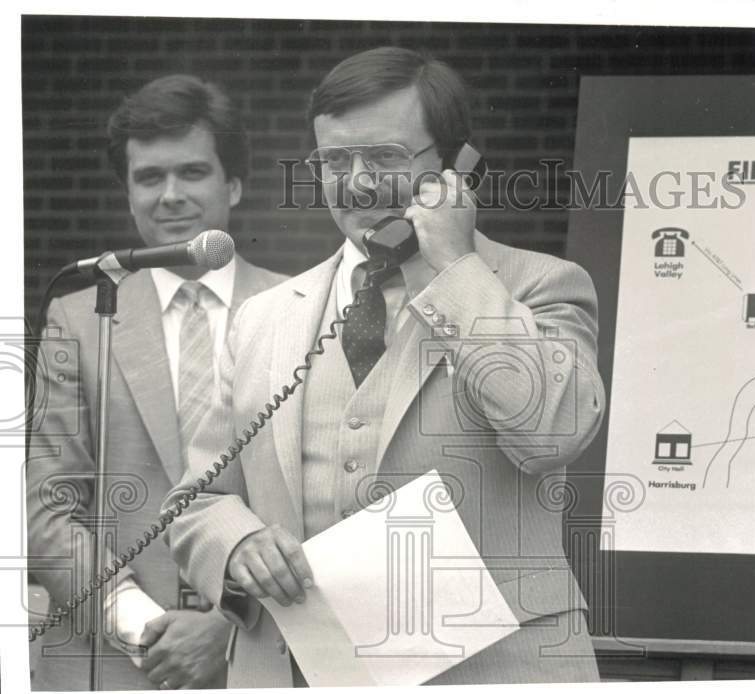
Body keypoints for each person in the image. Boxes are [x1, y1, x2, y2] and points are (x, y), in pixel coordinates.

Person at [163, 47, 607, 687]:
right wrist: (237, 545)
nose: (358, 183)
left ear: (456, 167)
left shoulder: (542, 287)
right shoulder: (262, 318)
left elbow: (551, 433)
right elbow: (197, 500)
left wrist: (456, 269)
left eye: (386, 158)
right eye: (335, 162)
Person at [26, 74, 286, 690]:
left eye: (193, 172)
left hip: (266, 655)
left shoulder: (305, 306)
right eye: (148, 178)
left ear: (235, 184)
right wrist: (145, 628)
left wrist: (232, 627)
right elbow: (46, 511)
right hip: (111, 660)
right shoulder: (78, 317)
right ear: (129, 193)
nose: (170, 196)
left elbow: (328, 501)